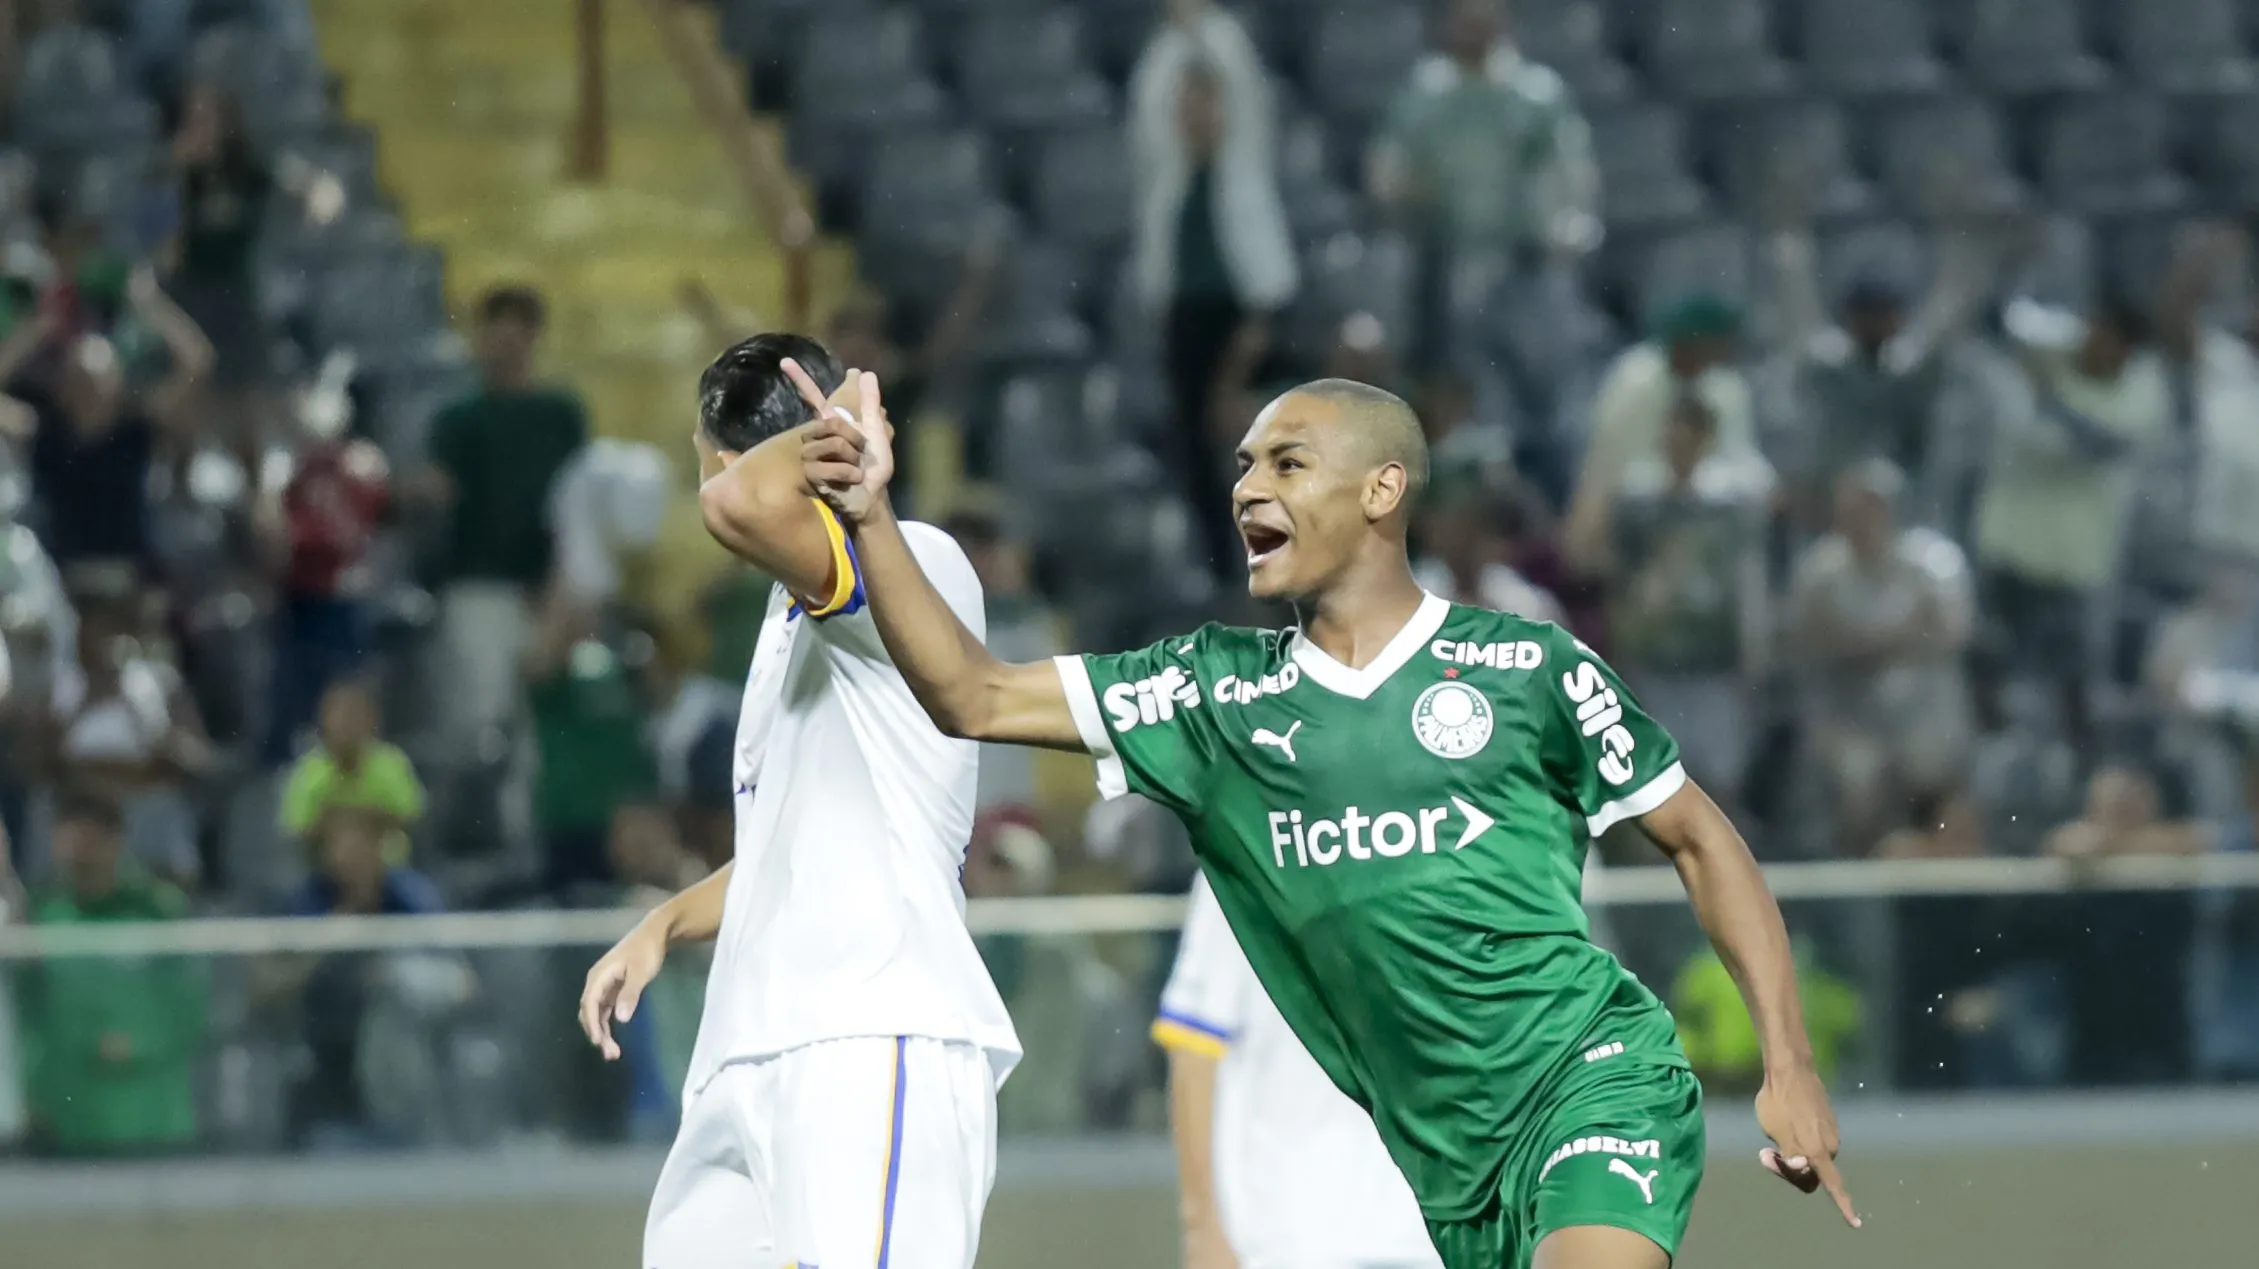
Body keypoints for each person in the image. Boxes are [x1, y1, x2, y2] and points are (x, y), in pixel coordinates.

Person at [794, 367, 1858, 1269]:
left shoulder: (1526, 666)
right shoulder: (1210, 697)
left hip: (1594, 1079)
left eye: (1287, 463)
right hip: (1447, 1165)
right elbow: (973, 696)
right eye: (1243, 466)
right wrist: (872, 515)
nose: (1247, 487)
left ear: (1382, 489)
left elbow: (1699, 838)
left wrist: (1790, 1063)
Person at [575, 334, 1019, 1269]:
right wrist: (665, 923)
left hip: (871, 1029)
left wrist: (824, 431)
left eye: (705, 457)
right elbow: (791, 844)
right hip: (750, 1046)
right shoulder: (788, 616)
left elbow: (733, 503)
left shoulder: (909, 558)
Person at [1160, 874, 1442, 1269]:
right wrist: (1202, 1231)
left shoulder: (1460, 848)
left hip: (1438, 1236)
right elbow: (1194, 1049)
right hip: (1292, 1236)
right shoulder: (1241, 851)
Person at [1131, 2, 1297, 585]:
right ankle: (1222, 571)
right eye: (1186, 104)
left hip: (1242, 345)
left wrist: (1232, 383)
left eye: (1206, 102)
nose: (1196, 115)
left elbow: (1267, 304)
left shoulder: (1245, 195)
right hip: (1191, 330)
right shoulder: (1169, 199)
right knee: (1198, 458)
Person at [421, 284, 589, 763]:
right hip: (479, 584)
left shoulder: (560, 415)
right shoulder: (458, 420)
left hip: (548, 589)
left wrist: (564, 589)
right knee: (483, 722)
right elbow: (438, 493)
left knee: (546, 723)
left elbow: (577, 505)